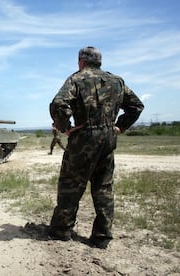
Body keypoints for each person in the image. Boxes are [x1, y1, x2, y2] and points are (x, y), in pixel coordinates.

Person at [48, 46, 144, 249]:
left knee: (70, 184)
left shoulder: (77, 79)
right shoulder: (116, 81)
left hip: (84, 137)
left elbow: (58, 104)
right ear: (99, 61)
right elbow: (136, 106)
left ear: (81, 61)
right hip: (108, 138)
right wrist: (119, 126)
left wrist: (65, 128)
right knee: (104, 187)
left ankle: (61, 229)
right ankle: (102, 237)